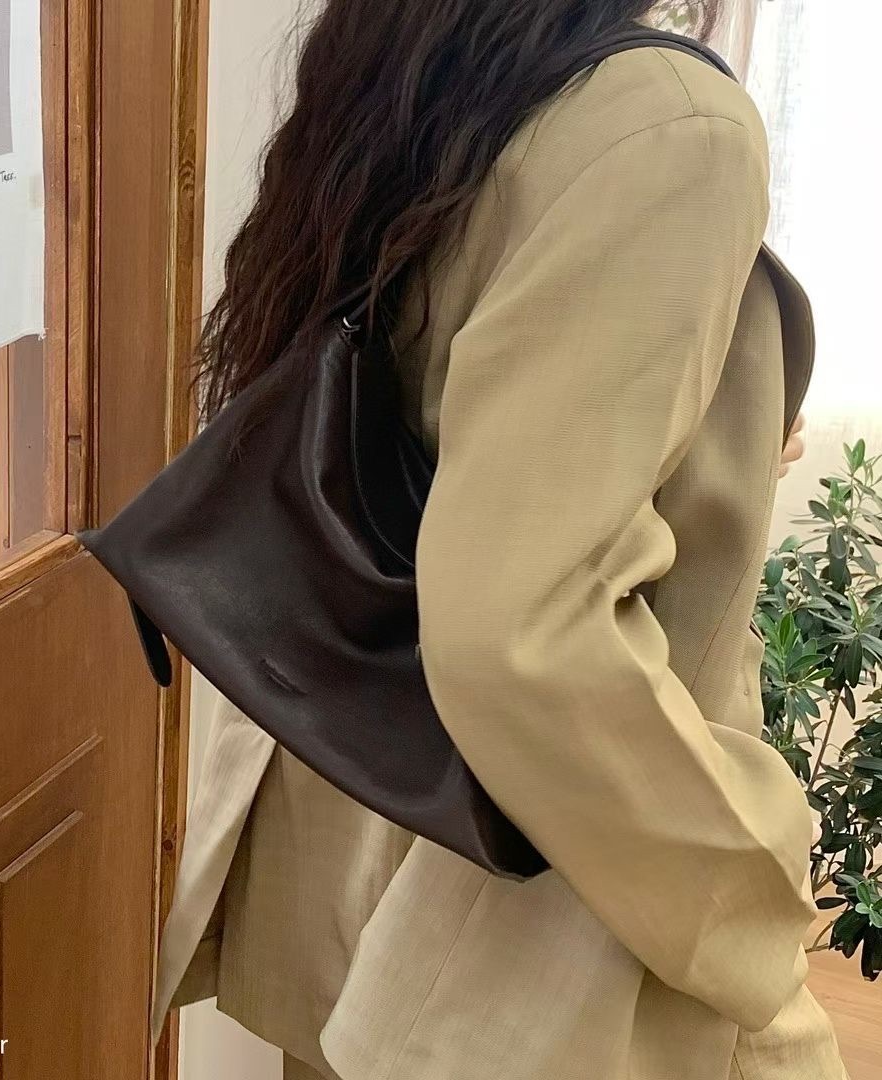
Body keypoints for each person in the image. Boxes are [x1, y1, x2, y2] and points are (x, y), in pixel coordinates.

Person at [155, 3, 848, 1078]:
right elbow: (519, 633)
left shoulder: (434, 58)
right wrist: (742, 898)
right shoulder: (670, 122)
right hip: (560, 876)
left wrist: (721, 427)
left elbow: (437, 406)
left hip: (356, 812)